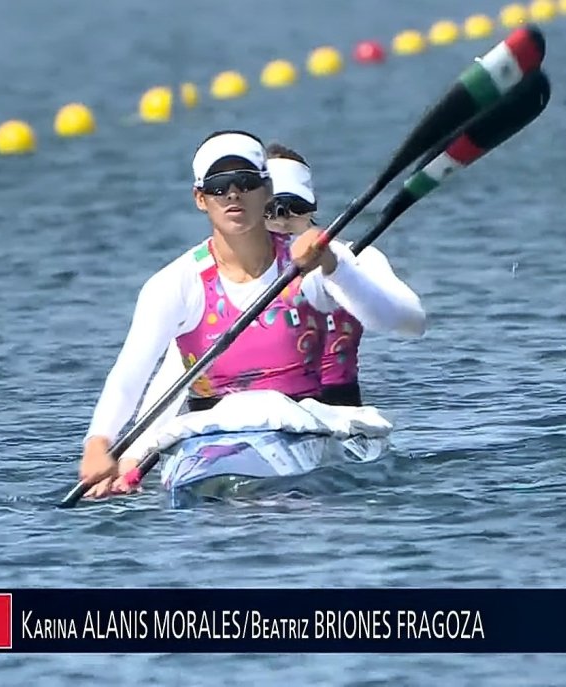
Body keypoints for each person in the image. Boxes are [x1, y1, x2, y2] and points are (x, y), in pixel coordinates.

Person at [79, 130, 422, 498]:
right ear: (200, 198)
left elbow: (407, 321)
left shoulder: (322, 263)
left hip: (310, 427)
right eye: (219, 186)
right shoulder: (177, 283)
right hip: (212, 437)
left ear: (267, 190)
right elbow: (134, 375)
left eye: (245, 183)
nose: (232, 195)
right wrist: (104, 446)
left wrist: (334, 267)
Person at [263, 142, 425, 406]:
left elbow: (415, 322)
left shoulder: (356, 256)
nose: (281, 219)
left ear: (312, 206)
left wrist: (337, 269)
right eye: (267, 209)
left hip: (337, 410)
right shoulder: (221, 269)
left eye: (293, 205)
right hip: (249, 414)